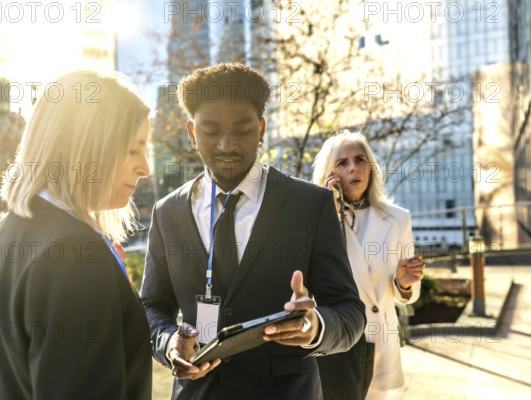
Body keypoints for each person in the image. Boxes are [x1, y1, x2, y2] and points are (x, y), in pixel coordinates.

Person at [140, 63, 366, 400]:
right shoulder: (167, 212)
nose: (227, 144)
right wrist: (169, 341)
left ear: (260, 129)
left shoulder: (311, 205)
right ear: (191, 133)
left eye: (243, 130)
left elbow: (350, 312)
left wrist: (314, 326)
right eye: (211, 131)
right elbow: (152, 307)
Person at [0, 71, 153, 399]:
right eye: (133, 149)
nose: (145, 167)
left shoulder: (3, 237)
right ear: (86, 147)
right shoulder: (75, 255)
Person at [312, 130, 424, 400]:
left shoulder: (398, 219)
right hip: (334, 339)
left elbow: (407, 295)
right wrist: (328, 210)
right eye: (342, 162)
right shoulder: (315, 219)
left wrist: (403, 284)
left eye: (360, 159)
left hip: (378, 338)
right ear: (330, 173)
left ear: (370, 167)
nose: (353, 167)